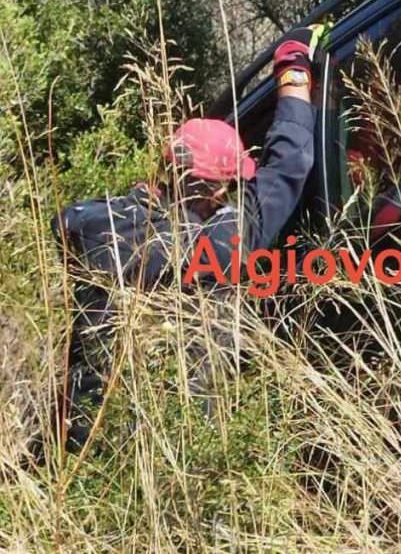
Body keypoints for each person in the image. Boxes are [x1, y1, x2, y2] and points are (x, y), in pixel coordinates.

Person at [52, 24, 329, 450]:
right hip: (178, 445)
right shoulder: (221, 240)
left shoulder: (95, 223)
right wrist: (292, 64)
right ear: (217, 190)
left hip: (85, 440)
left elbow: (61, 224)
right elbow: (292, 160)